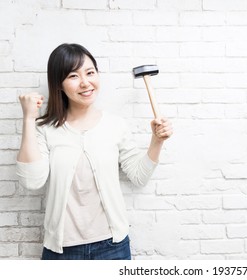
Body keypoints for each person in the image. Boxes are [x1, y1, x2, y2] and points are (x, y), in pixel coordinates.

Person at [16, 43, 173, 260]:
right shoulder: (45, 130)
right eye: (73, 76)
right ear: (58, 84)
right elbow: (32, 181)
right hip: (62, 252)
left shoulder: (115, 125)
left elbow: (139, 176)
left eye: (90, 73)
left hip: (113, 248)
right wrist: (28, 119)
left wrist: (156, 141)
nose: (85, 82)